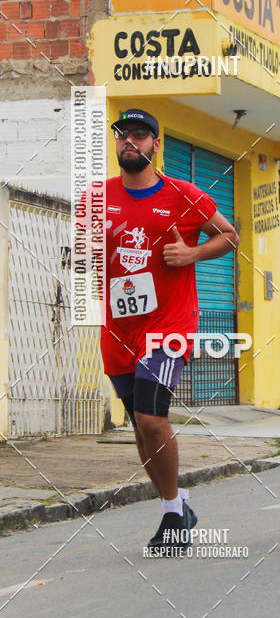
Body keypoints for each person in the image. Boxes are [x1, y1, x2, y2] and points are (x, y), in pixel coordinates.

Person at [83, 108, 239, 555]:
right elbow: (89, 257)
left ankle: (172, 512)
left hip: (169, 323)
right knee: (142, 425)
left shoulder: (182, 194)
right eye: (122, 134)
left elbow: (230, 236)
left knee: (153, 417)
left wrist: (191, 254)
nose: (129, 141)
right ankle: (177, 504)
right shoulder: (95, 197)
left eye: (140, 134)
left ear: (156, 144)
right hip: (119, 328)